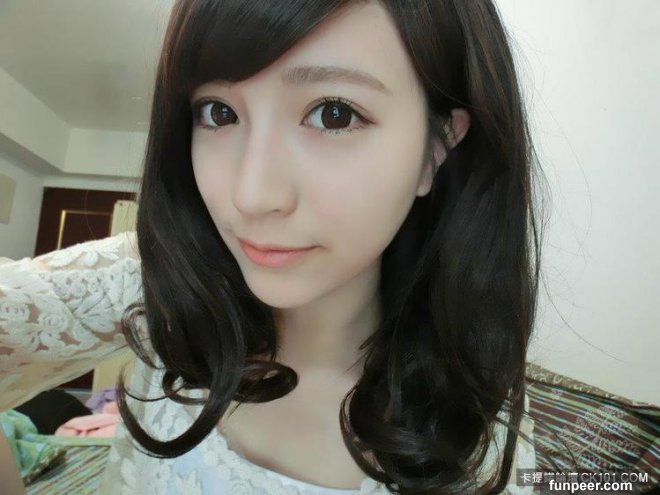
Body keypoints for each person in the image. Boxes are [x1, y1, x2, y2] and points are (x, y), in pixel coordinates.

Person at [0, 0, 542, 493]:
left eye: (334, 113)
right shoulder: (155, 281)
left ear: (436, 147)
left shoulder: (483, 436)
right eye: (219, 112)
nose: (252, 195)